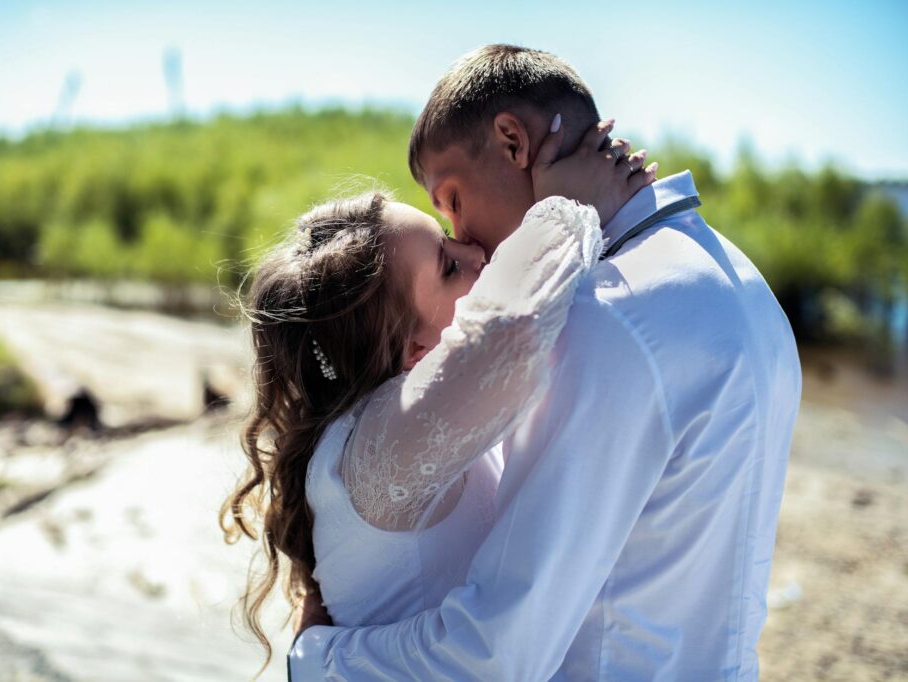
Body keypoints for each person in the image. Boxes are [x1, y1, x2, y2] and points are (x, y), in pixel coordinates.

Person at [287, 44, 802, 680]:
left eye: (452, 201)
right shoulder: (742, 280)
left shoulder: (601, 319)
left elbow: (497, 652)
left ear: (512, 142)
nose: (466, 240)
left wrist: (315, 659)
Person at [220, 91, 654, 676]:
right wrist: (568, 206)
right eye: (449, 266)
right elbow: (511, 334)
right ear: (414, 350)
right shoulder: (376, 449)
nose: (475, 253)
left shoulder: (384, 431)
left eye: (448, 237)